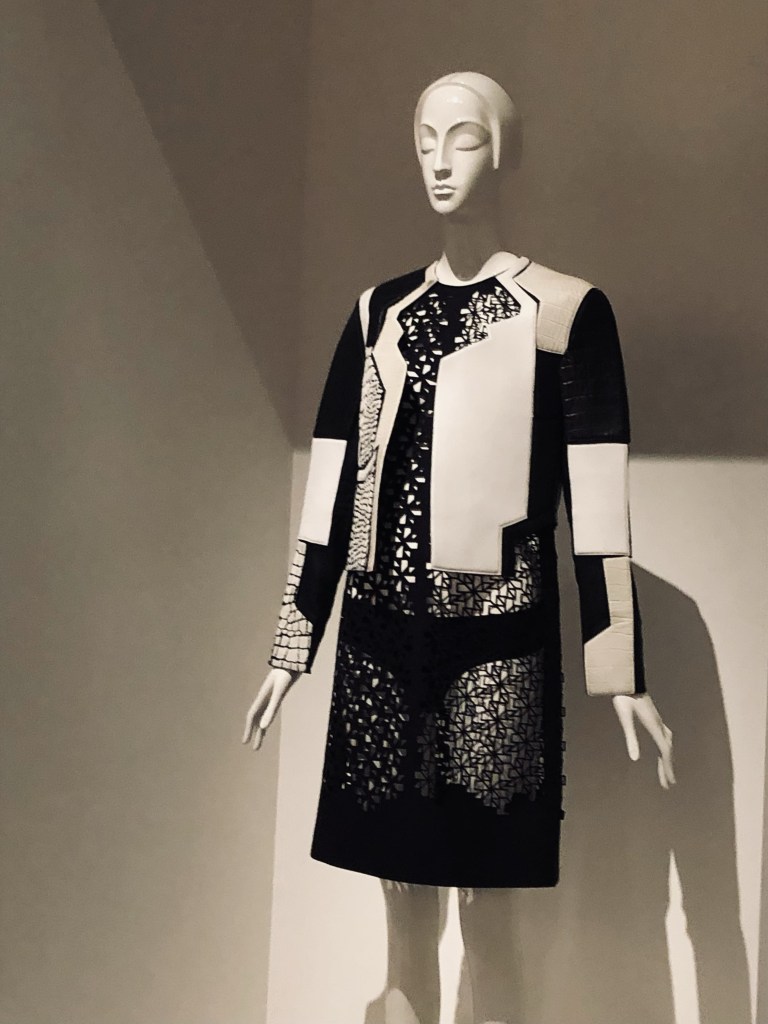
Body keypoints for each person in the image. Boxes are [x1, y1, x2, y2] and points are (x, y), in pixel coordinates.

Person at [243, 71, 675, 1024]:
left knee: (490, 924)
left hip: (498, 652)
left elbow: (598, 506)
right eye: (425, 140)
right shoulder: (377, 315)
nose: (440, 161)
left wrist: (620, 669)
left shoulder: (564, 313)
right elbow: (331, 489)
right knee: (401, 919)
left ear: (503, 150)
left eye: (465, 138)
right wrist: (292, 645)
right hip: (379, 648)